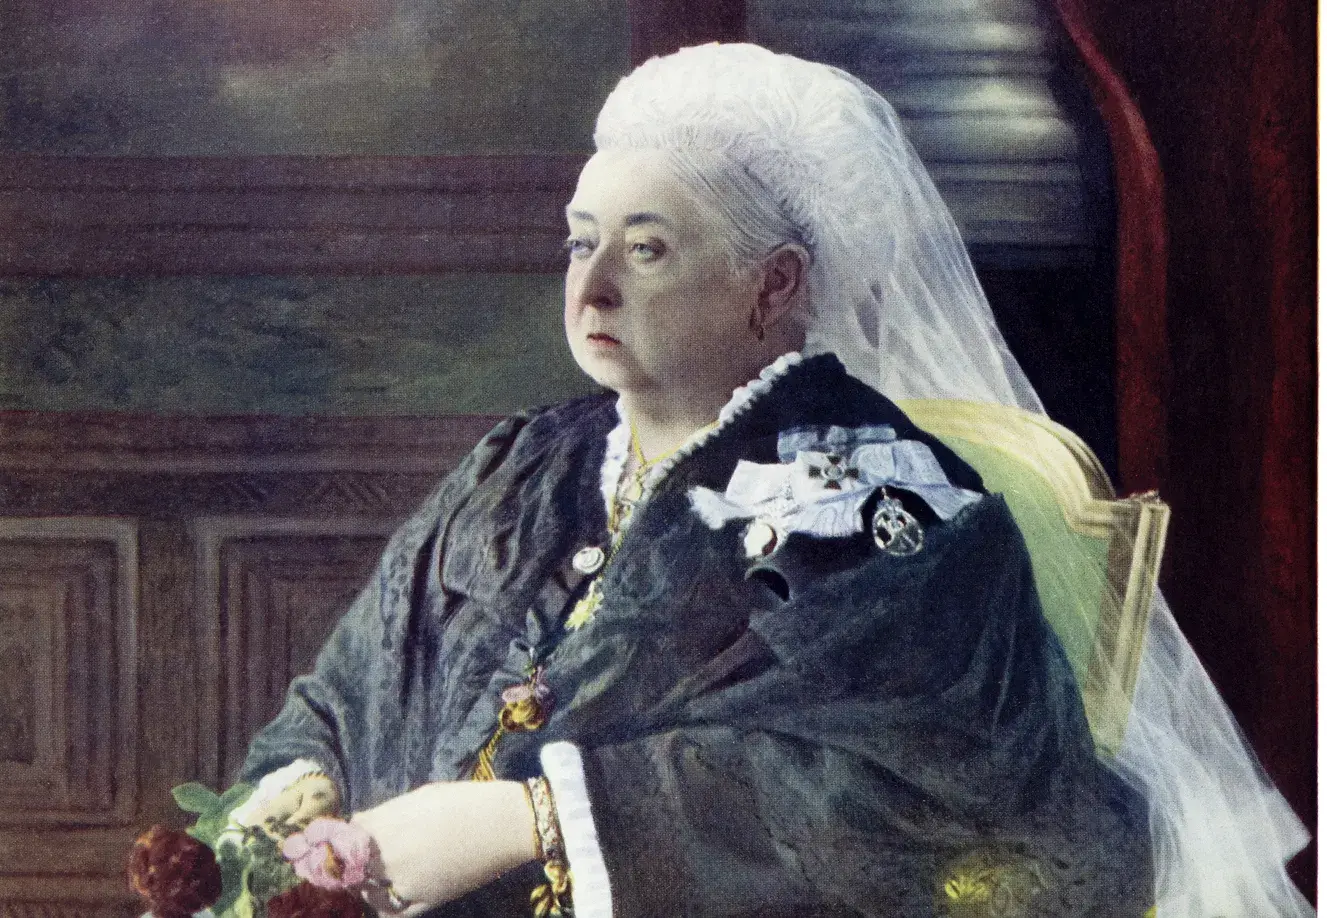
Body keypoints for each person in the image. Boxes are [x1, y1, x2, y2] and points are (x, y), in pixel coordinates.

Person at [237, 43, 1312, 918]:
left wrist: (532, 820)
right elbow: (348, 689)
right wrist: (297, 797)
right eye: (578, 244)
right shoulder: (519, 463)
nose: (592, 287)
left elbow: (927, 788)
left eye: (646, 250)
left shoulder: (875, 498)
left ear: (775, 284)